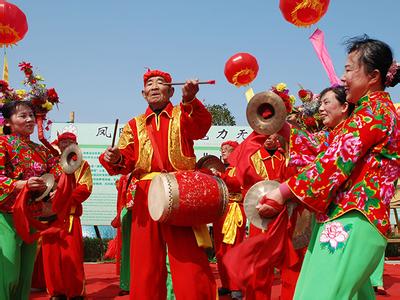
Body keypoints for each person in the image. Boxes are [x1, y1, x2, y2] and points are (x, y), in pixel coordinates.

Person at [258, 36, 400, 299]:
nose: (343, 77)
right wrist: (284, 127)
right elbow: (323, 148)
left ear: (373, 76)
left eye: (348, 69)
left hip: (353, 219)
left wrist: (283, 192)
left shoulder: (374, 114)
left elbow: (333, 161)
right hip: (345, 219)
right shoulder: (367, 114)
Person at [99, 69, 216, 300]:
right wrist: (115, 157)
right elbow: (125, 160)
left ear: (171, 91)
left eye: (160, 83)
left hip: (180, 190)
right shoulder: (134, 125)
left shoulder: (182, 116)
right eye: (149, 84)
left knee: (188, 258)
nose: (154, 86)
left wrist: (190, 99)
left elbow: (201, 127)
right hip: (146, 194)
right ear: (143, 94)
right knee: (145, 261)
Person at [0, 100, 62, 300]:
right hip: (7, 216)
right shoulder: (2, 143)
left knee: (25, 275)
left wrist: (55, 185)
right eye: (22, 116)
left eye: (30, 116)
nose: (29, 120)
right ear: (8, 122)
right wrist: (20, 185)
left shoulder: (41, 149)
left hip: (33, 216)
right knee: (8, 273)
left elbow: (57, 170)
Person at [41, 131, 93, 300]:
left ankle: (75, 293)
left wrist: (64, 196)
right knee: (51, 258)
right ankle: (57, 292)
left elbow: (85, 189)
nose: (65, 145)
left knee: (72, 257)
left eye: (70, 142)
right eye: (63, 142)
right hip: (50, 217)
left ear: (75, 145)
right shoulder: (51, 163)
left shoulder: (82, 164)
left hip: (70, 217)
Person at [211, 140, 244, 299]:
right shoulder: (224, 169)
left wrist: (221, 176)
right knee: (220, 250)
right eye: (222, 149)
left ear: (235, 152)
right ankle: (226, 284)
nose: (223, 152)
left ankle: (237, 287)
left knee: (234, 250)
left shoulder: (239, 168)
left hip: (234, 211)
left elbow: (237, 183)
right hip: (221, 212)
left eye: (226, 149)